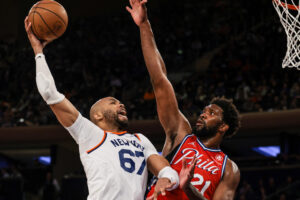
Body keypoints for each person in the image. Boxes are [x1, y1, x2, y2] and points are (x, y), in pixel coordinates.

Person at [24, 17, 184, 200]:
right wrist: (38, 51)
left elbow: (167, 171)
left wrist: (166, 178)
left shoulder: (140, 139)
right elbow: (49, 92)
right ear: (98, 115)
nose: (120, 104)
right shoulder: (90, 134)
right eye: (112, 102)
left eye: (119, 102)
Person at [126, 0, 241, 199]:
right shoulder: (181, 134)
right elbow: (160, 80)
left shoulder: (229, 169)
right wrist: (144, 26)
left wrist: (188, 188)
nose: (204, 113)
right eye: (205, 110)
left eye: (212, 113)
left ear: (223, 127)